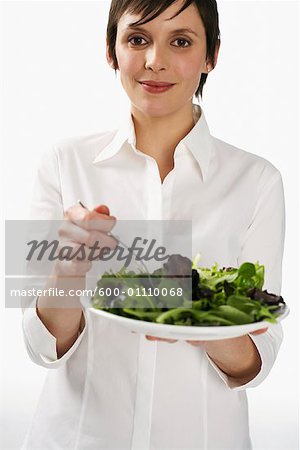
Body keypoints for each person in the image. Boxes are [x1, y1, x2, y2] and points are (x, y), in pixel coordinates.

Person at [21, 0, 285, 448]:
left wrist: (203, 319)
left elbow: (256, 363)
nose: (155, 61)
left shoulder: (257, 180)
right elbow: (41, 347)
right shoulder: (65, 163)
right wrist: (69, 271)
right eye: (137, 39)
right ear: (111, 51)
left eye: (180, 41)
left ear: (211, 56)